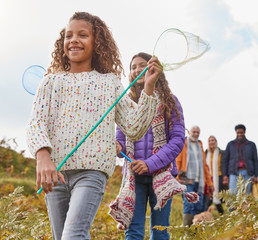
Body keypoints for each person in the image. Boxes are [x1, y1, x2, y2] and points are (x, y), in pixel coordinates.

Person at [26, 12, 163, 240]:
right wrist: (43, 156)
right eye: (69, 35)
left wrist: (148, 89)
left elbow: (135, 127)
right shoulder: (50, 82)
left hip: (91, 173)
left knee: (73, 235)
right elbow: (35, 124)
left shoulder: (109, 83)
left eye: (82, 35)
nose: (74, 40)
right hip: (55, 175)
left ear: (96, 41)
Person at [114, 52, 185, 240]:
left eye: (142, 65)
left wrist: (150, 163)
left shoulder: (170, 102)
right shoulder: (126, 104)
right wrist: (117, 146)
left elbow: (178, 140)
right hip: (133, 177)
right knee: (133, 230)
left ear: (153, 69)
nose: (137, 69)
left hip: (162, 174)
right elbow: (121, 138)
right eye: (133, 67)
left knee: (160, 232)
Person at [176, 126, 214, 226]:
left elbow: (205, 166)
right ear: (190, 133)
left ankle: (197, 229)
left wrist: (209, 183)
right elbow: (178, 161)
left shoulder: (200, 146)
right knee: (188, 205)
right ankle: (186, 229)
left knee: (199, 205)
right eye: (194, 132)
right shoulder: (184, 144)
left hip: (200, 181)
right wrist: (176, 178)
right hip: (187, 180)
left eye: (198, 132)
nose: (196, 134)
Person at [222, 124, 258, 195]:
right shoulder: (230, 144)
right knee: (233, 195)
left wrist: (256, 175)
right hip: (233, 173)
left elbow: (255, 161)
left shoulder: (251, 145)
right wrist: (225, 175)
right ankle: (234, 207)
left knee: (245, 195)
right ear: (236, 132)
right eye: (238, 133)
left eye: (241, 132)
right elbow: (225, 160)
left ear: (244, 132)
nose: (239, 134)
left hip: (247, 173)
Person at [204, 135, 224, 214]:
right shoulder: (205, 153)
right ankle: (205, 217)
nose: (211, 142)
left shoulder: (221, 153)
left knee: (217, 197)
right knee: (208, 199)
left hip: (218, 178)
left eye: (213, 140)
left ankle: (222, 215)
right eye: (209, 141)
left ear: (216, 142)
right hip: (208, 178)